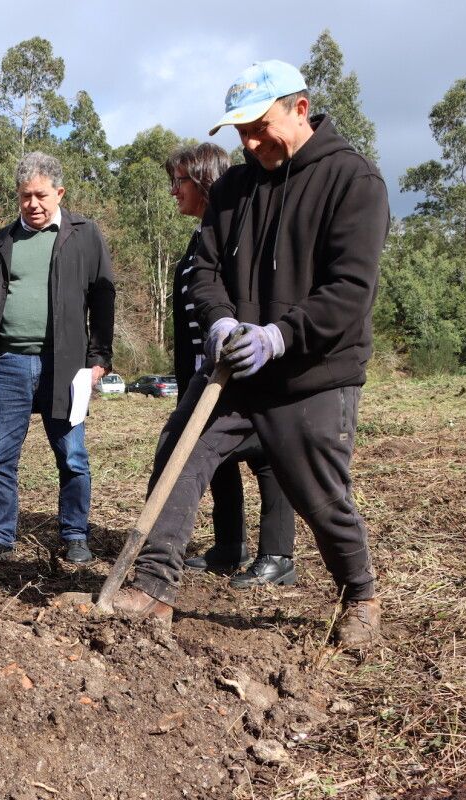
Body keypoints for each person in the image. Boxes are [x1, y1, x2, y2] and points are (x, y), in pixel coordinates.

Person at [112, 61, 389, 648]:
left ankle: (360, 595)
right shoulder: (235, 188)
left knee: (319, 493)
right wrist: (221, 323)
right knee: (179, 457)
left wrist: (279, 336)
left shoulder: (353, 181)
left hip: (313, 374)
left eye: (261, 126)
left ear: (301, 109)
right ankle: (154, 588)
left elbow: (349, 291)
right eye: (241, 132)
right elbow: (204, 270)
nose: (251, 142)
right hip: (233, 371)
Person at [0, 151, 116, 565]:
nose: (32, 204)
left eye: (40, 195)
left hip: (65, 367)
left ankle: (74, 535)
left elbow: (103, 299)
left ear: (59, 192)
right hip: (8, 363)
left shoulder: (84, 235)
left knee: (72, 455)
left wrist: (99, 357)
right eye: (24, 196)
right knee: (0, 457)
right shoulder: (1, 241)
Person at [165, 143, 298, 588]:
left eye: (179, 180)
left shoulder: (237, 230)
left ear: (204, 180)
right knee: (215, 458)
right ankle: (228, 546)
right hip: (203, 369)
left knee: (265, 456)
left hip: (246, 364)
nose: (173, 190)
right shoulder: (200, 235)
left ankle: (277, 556)